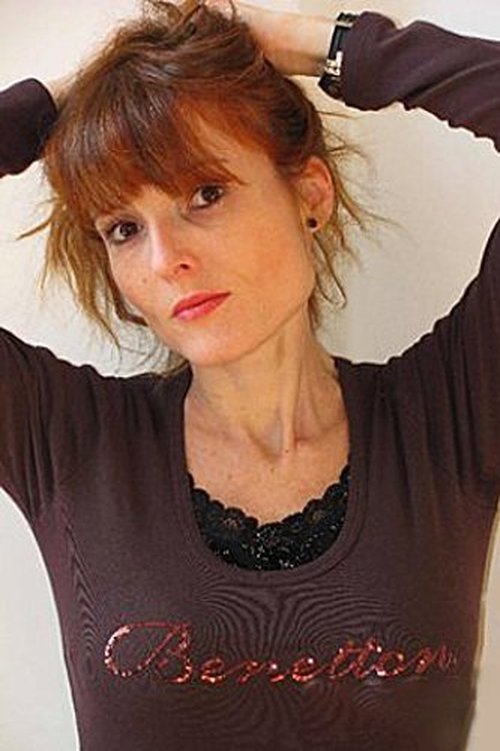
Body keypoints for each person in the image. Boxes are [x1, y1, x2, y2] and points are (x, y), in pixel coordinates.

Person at [1, 1, 500, 749]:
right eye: (124, 228)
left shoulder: (451, 413)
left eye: (204, 193)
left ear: (310, 196)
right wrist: (71, 103)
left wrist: (330, 46)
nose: (165, 259)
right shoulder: (64, 440)